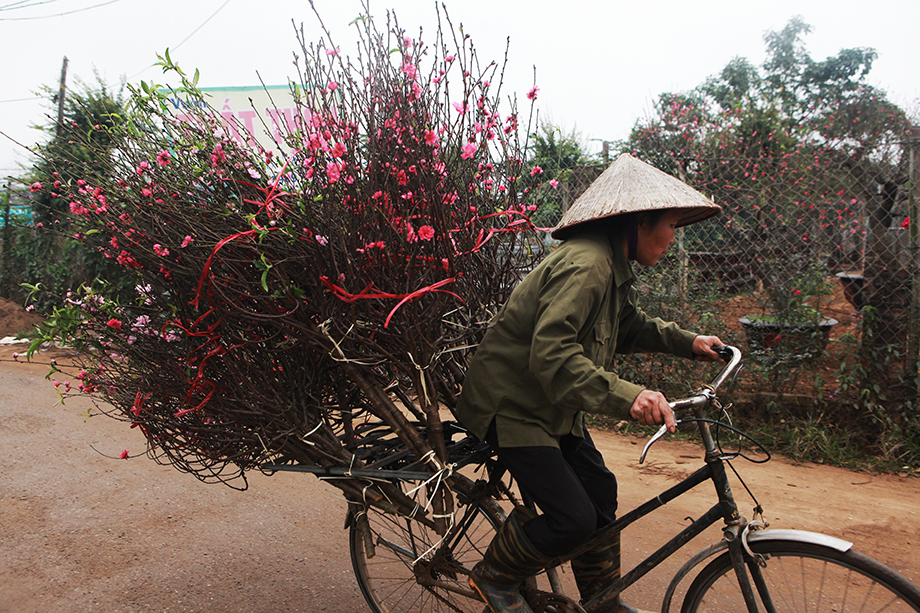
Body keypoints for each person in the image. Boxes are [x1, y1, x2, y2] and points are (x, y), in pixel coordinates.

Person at [455, 153, 725, 613]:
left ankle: (601, 601)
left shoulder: (611, 264)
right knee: (573, 519)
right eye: (673, 226)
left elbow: (628, 326)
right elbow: (553, 355)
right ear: (640, 221)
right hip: (514, 408)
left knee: (601, 492)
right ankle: (494, 577)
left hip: (551, 407)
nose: (673, 238)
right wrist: (631, 395)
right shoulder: (588, 266)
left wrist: (690, 342)